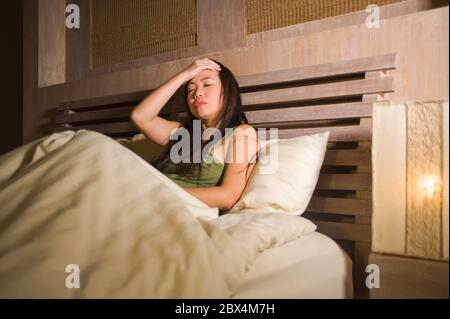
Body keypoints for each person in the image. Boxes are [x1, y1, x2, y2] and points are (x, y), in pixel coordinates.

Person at [131, 58, 259, 211]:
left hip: (168, 208)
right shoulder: (182, 134)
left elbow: (228, 197)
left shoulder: (241, 134)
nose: (197, 93)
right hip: (144, 201)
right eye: (191, 89)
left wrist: (160, 194)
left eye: (207, 84)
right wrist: (184, 75)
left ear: (228, 91)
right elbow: (140, 117)